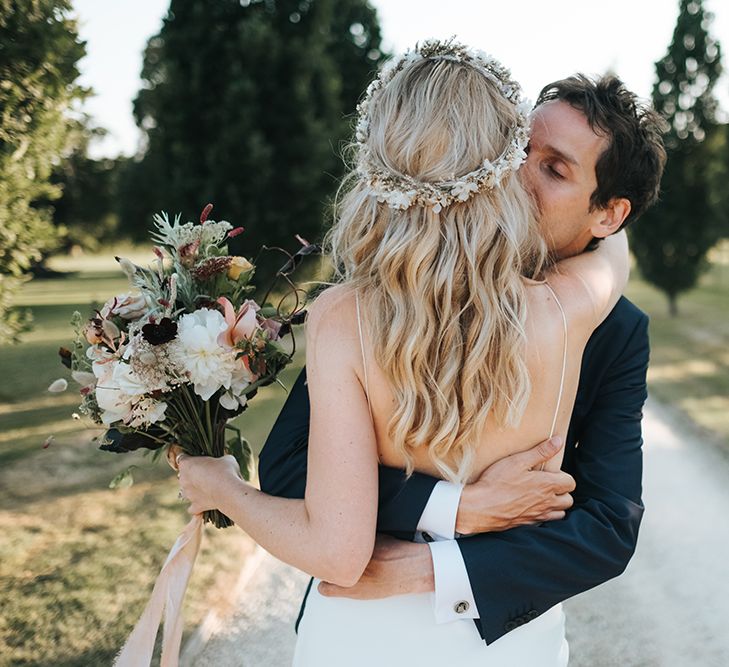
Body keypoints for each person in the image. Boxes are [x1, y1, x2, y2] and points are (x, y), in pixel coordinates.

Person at [175, 40, 663, 665]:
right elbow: (291, 463)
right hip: (359, 626)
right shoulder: (568, 308)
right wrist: (459, 508)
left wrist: (428, 568)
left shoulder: (348, 314)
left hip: (490, 633)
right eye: (519, 150)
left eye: (554, 169)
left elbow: (606, 528)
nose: (518, 175)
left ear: (608, 214)